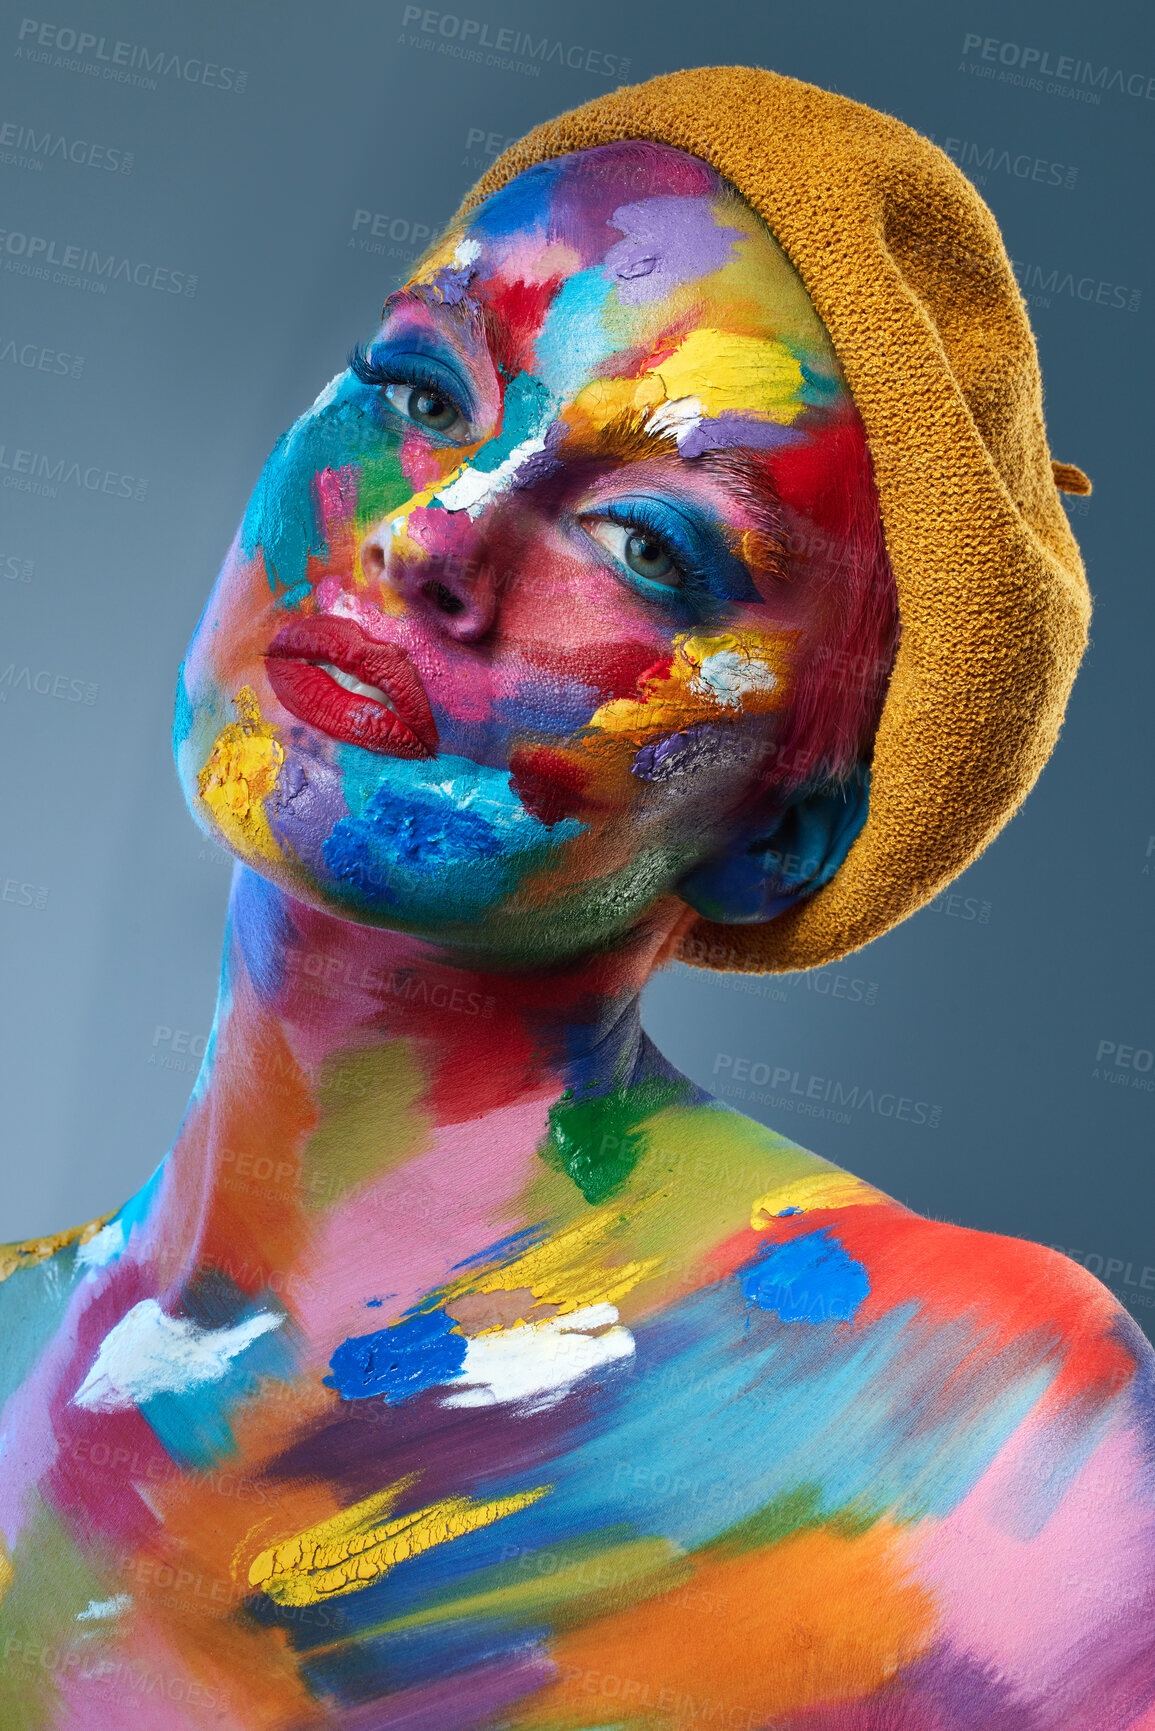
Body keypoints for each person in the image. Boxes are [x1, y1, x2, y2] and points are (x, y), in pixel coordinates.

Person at [1, 65, 1151, 1730]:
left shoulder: (957, 1444)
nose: (438, 534)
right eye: (419, 389)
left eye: (648, 546)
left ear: (787, 826)